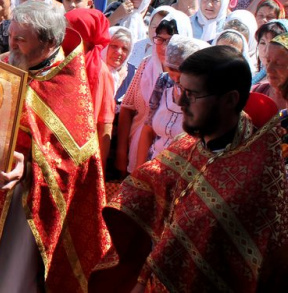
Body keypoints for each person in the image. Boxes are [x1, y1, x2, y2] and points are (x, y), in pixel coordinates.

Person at [0, 1, 110, 292]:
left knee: (5, 281)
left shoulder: (67, 85)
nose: (11, 45)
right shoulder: (9, 63)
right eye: (11, 35)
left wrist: (31, 168)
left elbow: (79, 164)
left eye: (21, 39)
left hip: (21, 207)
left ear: (49, 43)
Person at [92, 45, 288, 292]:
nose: (180, 101)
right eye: (180, 89)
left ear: (230, 100)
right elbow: (145, 192)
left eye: (192, 94)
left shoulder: (257, 174)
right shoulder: (187, 144)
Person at [116, 7, 192, 174]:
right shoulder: (146, 65)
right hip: (137, 150)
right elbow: (127, 108)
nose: (164, 47)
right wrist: (121, 151)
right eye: (160, 39)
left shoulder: (193, 80)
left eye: (170, 40)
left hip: (174, 162)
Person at [135, 35, 208, 166]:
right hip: (153, 164)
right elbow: (148, 130)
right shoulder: (164, 81)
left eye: (180, 72)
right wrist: (138, 171)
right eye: (171, 70)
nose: (174, 77)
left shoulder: (203, 96)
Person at [66, 8, 116, 161]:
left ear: (84, 37)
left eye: (68, 30)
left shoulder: (100, 72)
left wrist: (100, 166)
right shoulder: (63, 61)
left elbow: (105, 124)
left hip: (82, 152)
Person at [105, 26, 135, 105]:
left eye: (124, 49)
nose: (119, 52)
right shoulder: (92, 70)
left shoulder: (134, 75)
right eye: (114, 46)